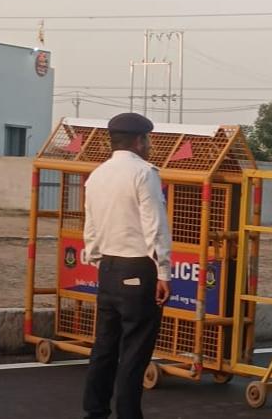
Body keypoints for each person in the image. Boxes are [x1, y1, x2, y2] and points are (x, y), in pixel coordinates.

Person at [82, 113, 171, 419]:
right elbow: (155, 226)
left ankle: (94, 412)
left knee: (104, 348)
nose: (150, 145)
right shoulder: (144, 173)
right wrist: (163, 272)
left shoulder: (97, 175)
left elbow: (91, 226)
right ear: (139, 141)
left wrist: (99, 259)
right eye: (148, 140)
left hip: (107, 266)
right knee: (135, 351)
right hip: (139, 268)